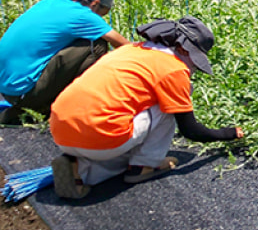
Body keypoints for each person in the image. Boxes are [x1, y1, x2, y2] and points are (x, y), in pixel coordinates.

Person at [48, 16, 243, 199]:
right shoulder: (173, 69)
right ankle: (145, 165)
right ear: (182, 49)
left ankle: (78, 169)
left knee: (117, 147)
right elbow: (190, 131)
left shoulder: (129, 50)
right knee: (168, 104)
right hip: (102, 136)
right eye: (194, 59)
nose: (193, 68)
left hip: (60, 129)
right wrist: (228, 133)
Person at [0, 0, 129, 125]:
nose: (100, 19)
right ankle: (64, 106)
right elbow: (124, 46)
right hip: (24, 92)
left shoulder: (47, 3)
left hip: (7, 89)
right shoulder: (83, 16)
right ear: (95, 4)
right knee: (96, 44)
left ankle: (38, 105)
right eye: (102, 14)